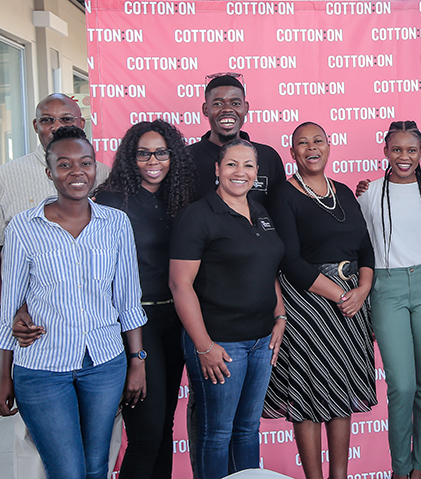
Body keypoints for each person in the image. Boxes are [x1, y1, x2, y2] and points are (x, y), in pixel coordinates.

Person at [0, 126, 146, 479]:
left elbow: (127, 300)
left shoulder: (116, 224)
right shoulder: (24, 228)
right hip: (42, 369)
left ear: (95, 168)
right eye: (64, 164)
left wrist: (137, 361)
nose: (77, 172)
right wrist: (3, 375)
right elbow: (11, 305)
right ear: (49, 173)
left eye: (85, 162)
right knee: (66, 471)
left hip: (104, 364)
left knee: (96, 466)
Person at [0, 94, 112, 478]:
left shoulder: (101, 173)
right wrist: (8, 307)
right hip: (36, 341)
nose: (56, 126)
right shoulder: (8, 175)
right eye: (47, 120)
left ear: (81, 123)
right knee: (38, 449)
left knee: (94, 456)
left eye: (65, 119)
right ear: (36, 126)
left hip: (94, 344)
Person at [263, 122, 377, 479]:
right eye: (303, 143)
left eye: (318, 141)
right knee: (308, 394)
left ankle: (339, 476)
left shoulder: (343, 192)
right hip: (308, 305)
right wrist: (341, 294)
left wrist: (362, 290)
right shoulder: (283, 194)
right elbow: (289, 260)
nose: (311, 148)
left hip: (351, 305)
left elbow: (366, 248)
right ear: (292, 152)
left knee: (341, 390)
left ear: (329, 146)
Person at [169, 139, 286, 479]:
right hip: (220, 344)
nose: (240, 172)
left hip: (261, 342)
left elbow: (269, 269)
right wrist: (204, 346)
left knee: (248, 429)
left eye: (248, 165)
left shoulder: (260, 212)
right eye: (232, 164)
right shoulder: (197, 216)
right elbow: (180, 285)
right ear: (218, 169)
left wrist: (280, 315)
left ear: (257, 172)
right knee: (217, 434)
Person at [94, 120, 196, 479]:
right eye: (143, 154)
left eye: (161, 153)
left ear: (173, 156)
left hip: (176, 321)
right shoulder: (111, 200)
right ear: (130, 158)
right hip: (135, 324)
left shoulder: (180, 197)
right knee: (145, 434)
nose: (153, 161)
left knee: (164, 428)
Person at [358, 120, 421, 479]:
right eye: (396, 149)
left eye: (412, 150)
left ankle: (419, 467)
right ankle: (400, 468)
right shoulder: (370, 192)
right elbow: (363, 243)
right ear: (385, 151)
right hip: (386, 287)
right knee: (402, 385)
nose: (404, 156)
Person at [187, 73, 285, 202]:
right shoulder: (186, 158)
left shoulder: (268, 157)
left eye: (235, 103)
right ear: (206, 109)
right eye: (218, 104)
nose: (227, 109)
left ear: (246, 108)